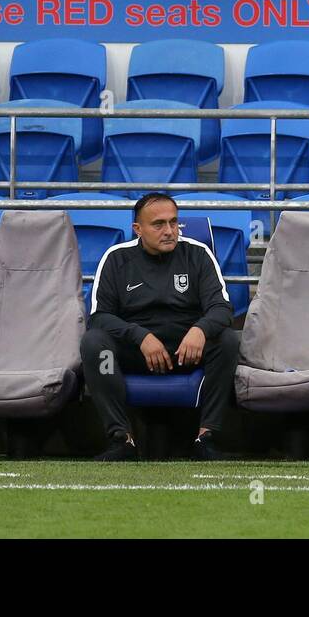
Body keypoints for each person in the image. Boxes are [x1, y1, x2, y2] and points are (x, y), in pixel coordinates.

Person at [81, 193, 240, 462]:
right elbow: (99, 317)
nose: (169, 231)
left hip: (186, 352)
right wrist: (140, 337)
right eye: (158, 224)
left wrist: (200, 330)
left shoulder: (198, 255)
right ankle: (122, 439)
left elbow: (222, 308)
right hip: (136, 353)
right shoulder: (116, 259)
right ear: (138, 229)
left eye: (174, 222)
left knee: (228, 340)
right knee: (95, 345)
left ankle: (206, 437)